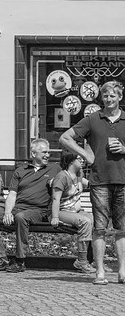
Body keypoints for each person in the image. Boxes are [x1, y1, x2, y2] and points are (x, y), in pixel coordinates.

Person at [59, 79, 125, 285]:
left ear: (120, 97)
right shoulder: (92, 119)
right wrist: (85, 155)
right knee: (100, 228)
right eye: (105, 96)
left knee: (122, 229)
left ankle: (123, 272)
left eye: (112, 96)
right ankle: (100, 272)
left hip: (123, 180)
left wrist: (124, 149)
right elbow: (65, 137)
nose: (108, 99)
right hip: (99, 181)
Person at [0, 138, 58, 273]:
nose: (47, 155)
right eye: (44, 152)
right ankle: (0, 258)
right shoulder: (21, 171)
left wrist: (57, 183)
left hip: (38, 210)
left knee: (21, 217)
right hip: (18, 208)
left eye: (48, 153)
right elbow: (12, 194)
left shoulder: (55, 169)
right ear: (33, 154)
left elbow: (71, 178)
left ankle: (20, 260)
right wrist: (7, 212)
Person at [50, 151, 95, 274]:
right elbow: (55, 199)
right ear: (71, 161)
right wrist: (54, 217)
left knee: (95, 220)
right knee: (85, 221)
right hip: (61, 211)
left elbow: (90, 183)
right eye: (79, 158)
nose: (82, 160)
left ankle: (89, 260)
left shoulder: (78, 174)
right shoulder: (62, 177)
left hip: (75, 211)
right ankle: (81, 261)